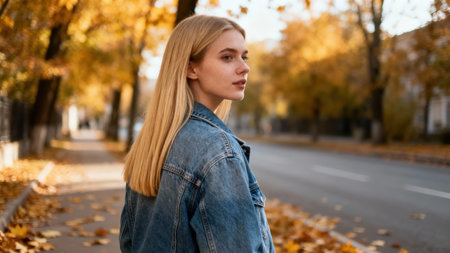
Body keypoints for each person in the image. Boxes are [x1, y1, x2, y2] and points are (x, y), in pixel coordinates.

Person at [119, 14, 275, 253]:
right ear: (191, 68)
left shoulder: (153, 143)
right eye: (227, 57)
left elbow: (130, 242)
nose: (245, 67)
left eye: (244, 57)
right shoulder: (217, 150)